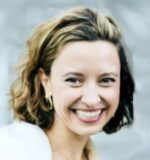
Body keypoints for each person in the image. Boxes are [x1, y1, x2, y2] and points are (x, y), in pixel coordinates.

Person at [0, 7, 135, 160]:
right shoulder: (10, 152)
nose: (92, 100)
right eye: (74, 80)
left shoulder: (90, 155)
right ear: (46, 82)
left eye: (106, 80)